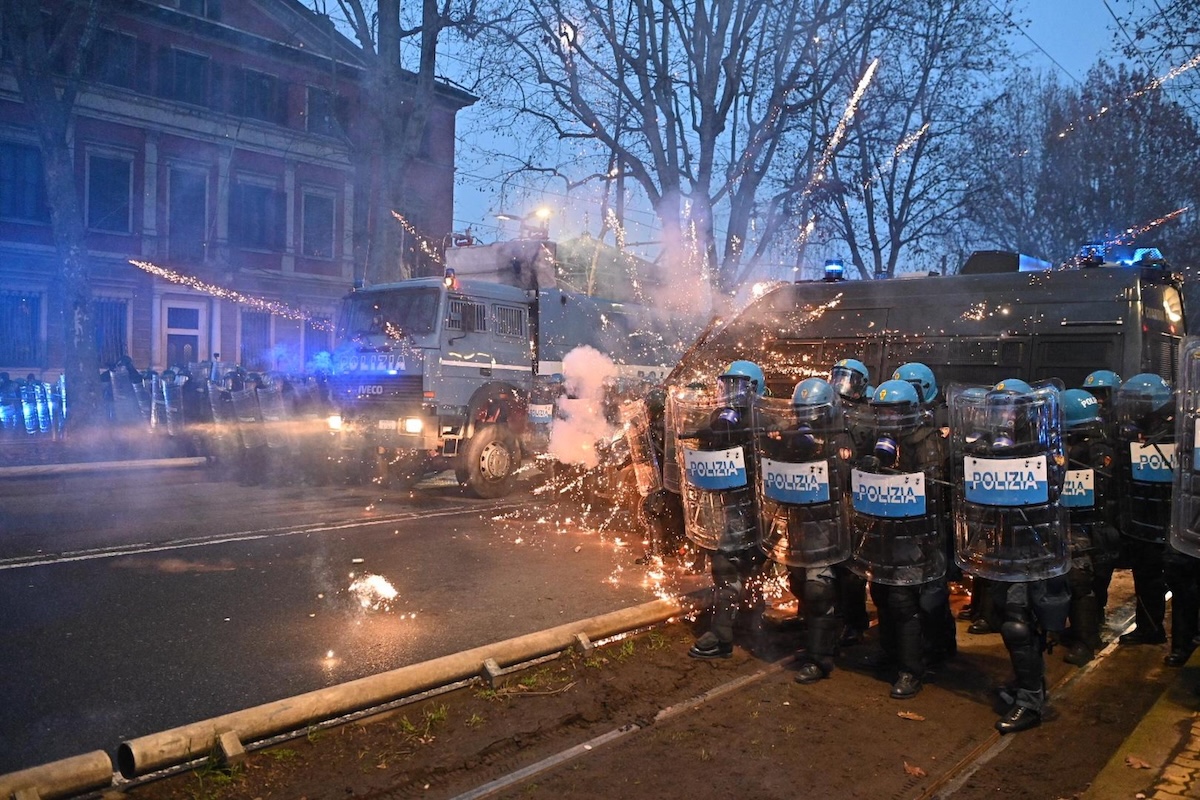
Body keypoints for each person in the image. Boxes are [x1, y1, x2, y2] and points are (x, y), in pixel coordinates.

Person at [954, 378, 1071, 733]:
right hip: (1002, 542)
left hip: (1032, 543)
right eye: (998, 408)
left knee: (1018, 622)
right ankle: (1026, 684)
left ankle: (1030, 701)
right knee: (1007, 615)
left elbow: (1053, 488)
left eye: (1008, 407)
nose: (1002, 415)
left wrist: (1021, 458)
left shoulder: (1044, 444)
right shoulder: (986, 445)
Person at [849, 379, 947, 699]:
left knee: (903, 602)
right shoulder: (877, 439)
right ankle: (889, 654)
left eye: (894, 411)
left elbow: (931, 488)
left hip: (913, 537)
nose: (888, 417)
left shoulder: (925, 440)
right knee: (879, 593)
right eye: (882, 411)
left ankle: (910, 669)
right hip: (882, 533)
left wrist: (890, 476)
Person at [756, 377, 853, 683]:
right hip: (797, 523)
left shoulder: (842, 438)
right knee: (799, 584)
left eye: (813, 411)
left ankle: (819, 658)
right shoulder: (789, 434)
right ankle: (819, 630)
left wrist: (824, 451)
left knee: (818, 588)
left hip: (826, 524)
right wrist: (777, 442)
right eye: (802, 411)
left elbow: (846, 476)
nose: (807, 417)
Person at [675, 360, 768, 659]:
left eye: (739, 386)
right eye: (728, 385)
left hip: (757, 505)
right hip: (728, 502)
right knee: (732, 564)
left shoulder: (766, 418)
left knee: (732, 564)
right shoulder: (720, 417)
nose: (732, 392)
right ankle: (744, 622)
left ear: (756, 389)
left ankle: (722, 634)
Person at [892, 362, 957, 664]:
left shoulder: (936, 427)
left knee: (930, 595)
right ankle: (906, 653)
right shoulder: (889, 431)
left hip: (929, 522)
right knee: (897, 596)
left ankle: (940, 647)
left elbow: (937, 479)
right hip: (896, 524)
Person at [1114, 373, 1175, 646]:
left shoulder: (1172, 431)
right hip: (1143, 519)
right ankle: (1151, 629)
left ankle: (1178, 637)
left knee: (1173, 582)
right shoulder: (1143, 429)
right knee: (1147, 580)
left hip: (1165, 518)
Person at [1059, 388, 1118, 666]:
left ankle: (1086, 641)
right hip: (1080, 526)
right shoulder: (1092, 445)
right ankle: (1085, 632)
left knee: (1082, 583)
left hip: (1089, 527)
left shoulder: (1094, 450)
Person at [829, 357, 873, 646]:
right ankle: (825, 615)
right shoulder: (825, 408)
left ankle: (855, 622)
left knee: (850, 567)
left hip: (853, 498)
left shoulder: (868, 415)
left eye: (850, 378)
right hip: (828, 495)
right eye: (839, 376)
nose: (843, 384)